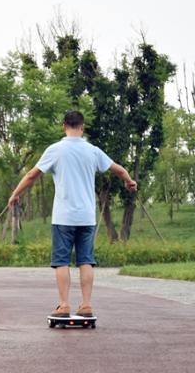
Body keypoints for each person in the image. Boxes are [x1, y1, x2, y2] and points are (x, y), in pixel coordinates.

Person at [7, 111, 137, 318]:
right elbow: (119, 170)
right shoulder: (92, 151)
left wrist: (15, 194)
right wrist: (129, 181)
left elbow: (32, 175)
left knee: (61, 261)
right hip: (86, 217)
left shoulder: (55, 150)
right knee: (86, 260)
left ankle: (64, 305)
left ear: (63, 126)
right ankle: (86, 305)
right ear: (82, 127)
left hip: (64, 217)